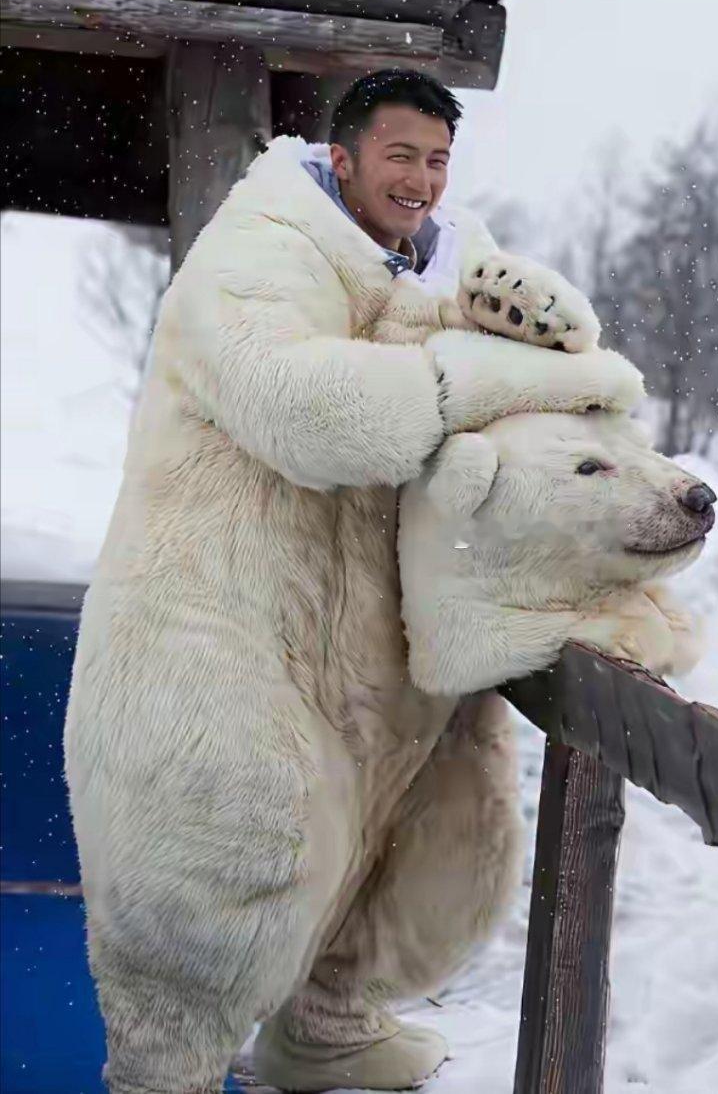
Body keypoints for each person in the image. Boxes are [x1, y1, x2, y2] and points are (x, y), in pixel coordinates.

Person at [63, 67, 642, 1094]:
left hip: (365, 671)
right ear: (342, 158)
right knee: (208, 894)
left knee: (395, 854)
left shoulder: (452, 267)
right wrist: (511, 375)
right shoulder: (256, 251)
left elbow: (546, 433)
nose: (420, 181)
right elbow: (306, 410)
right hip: (217, 635)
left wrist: (566, 360)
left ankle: (326, 1023)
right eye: (399, 156)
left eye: (436, 161)